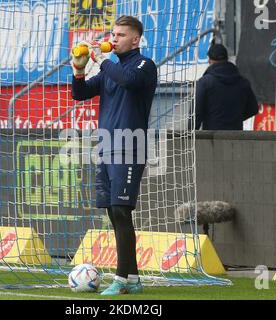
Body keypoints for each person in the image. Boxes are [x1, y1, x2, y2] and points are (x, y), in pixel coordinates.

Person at [71, 15, 157, 295]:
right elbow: (80, 93)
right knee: (113, 212)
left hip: (130, 146)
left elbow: (130, 81)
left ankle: (122, 279)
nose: (114, 38)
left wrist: (101, 58)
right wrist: (79, 70)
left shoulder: (144, 65)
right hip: (106, 146)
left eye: (120, 35)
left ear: (135, 39)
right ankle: (131, 279)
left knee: (121, 210)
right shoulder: (111, 69)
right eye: (113, 34)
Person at [195, 43, 259, 130]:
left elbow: (195, 114)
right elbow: (253, 109)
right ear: (227, 59)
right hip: (235, 137)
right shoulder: (243, 83)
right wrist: (235, 119)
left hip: (211, 138)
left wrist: (190, 138)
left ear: (209, 60)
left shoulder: (204, 83)